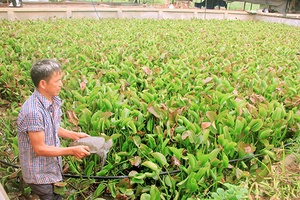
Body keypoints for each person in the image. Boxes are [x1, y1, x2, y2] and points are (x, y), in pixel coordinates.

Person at [17, 59, 91, 200]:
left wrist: (74, 135)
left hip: (51, 168)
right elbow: (40, 149)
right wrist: (72, 151)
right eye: (57, 81)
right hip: (39, 174)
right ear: (43, 84)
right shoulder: (33, 112)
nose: (61, 84)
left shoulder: (52, 100)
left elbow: (53, 127)